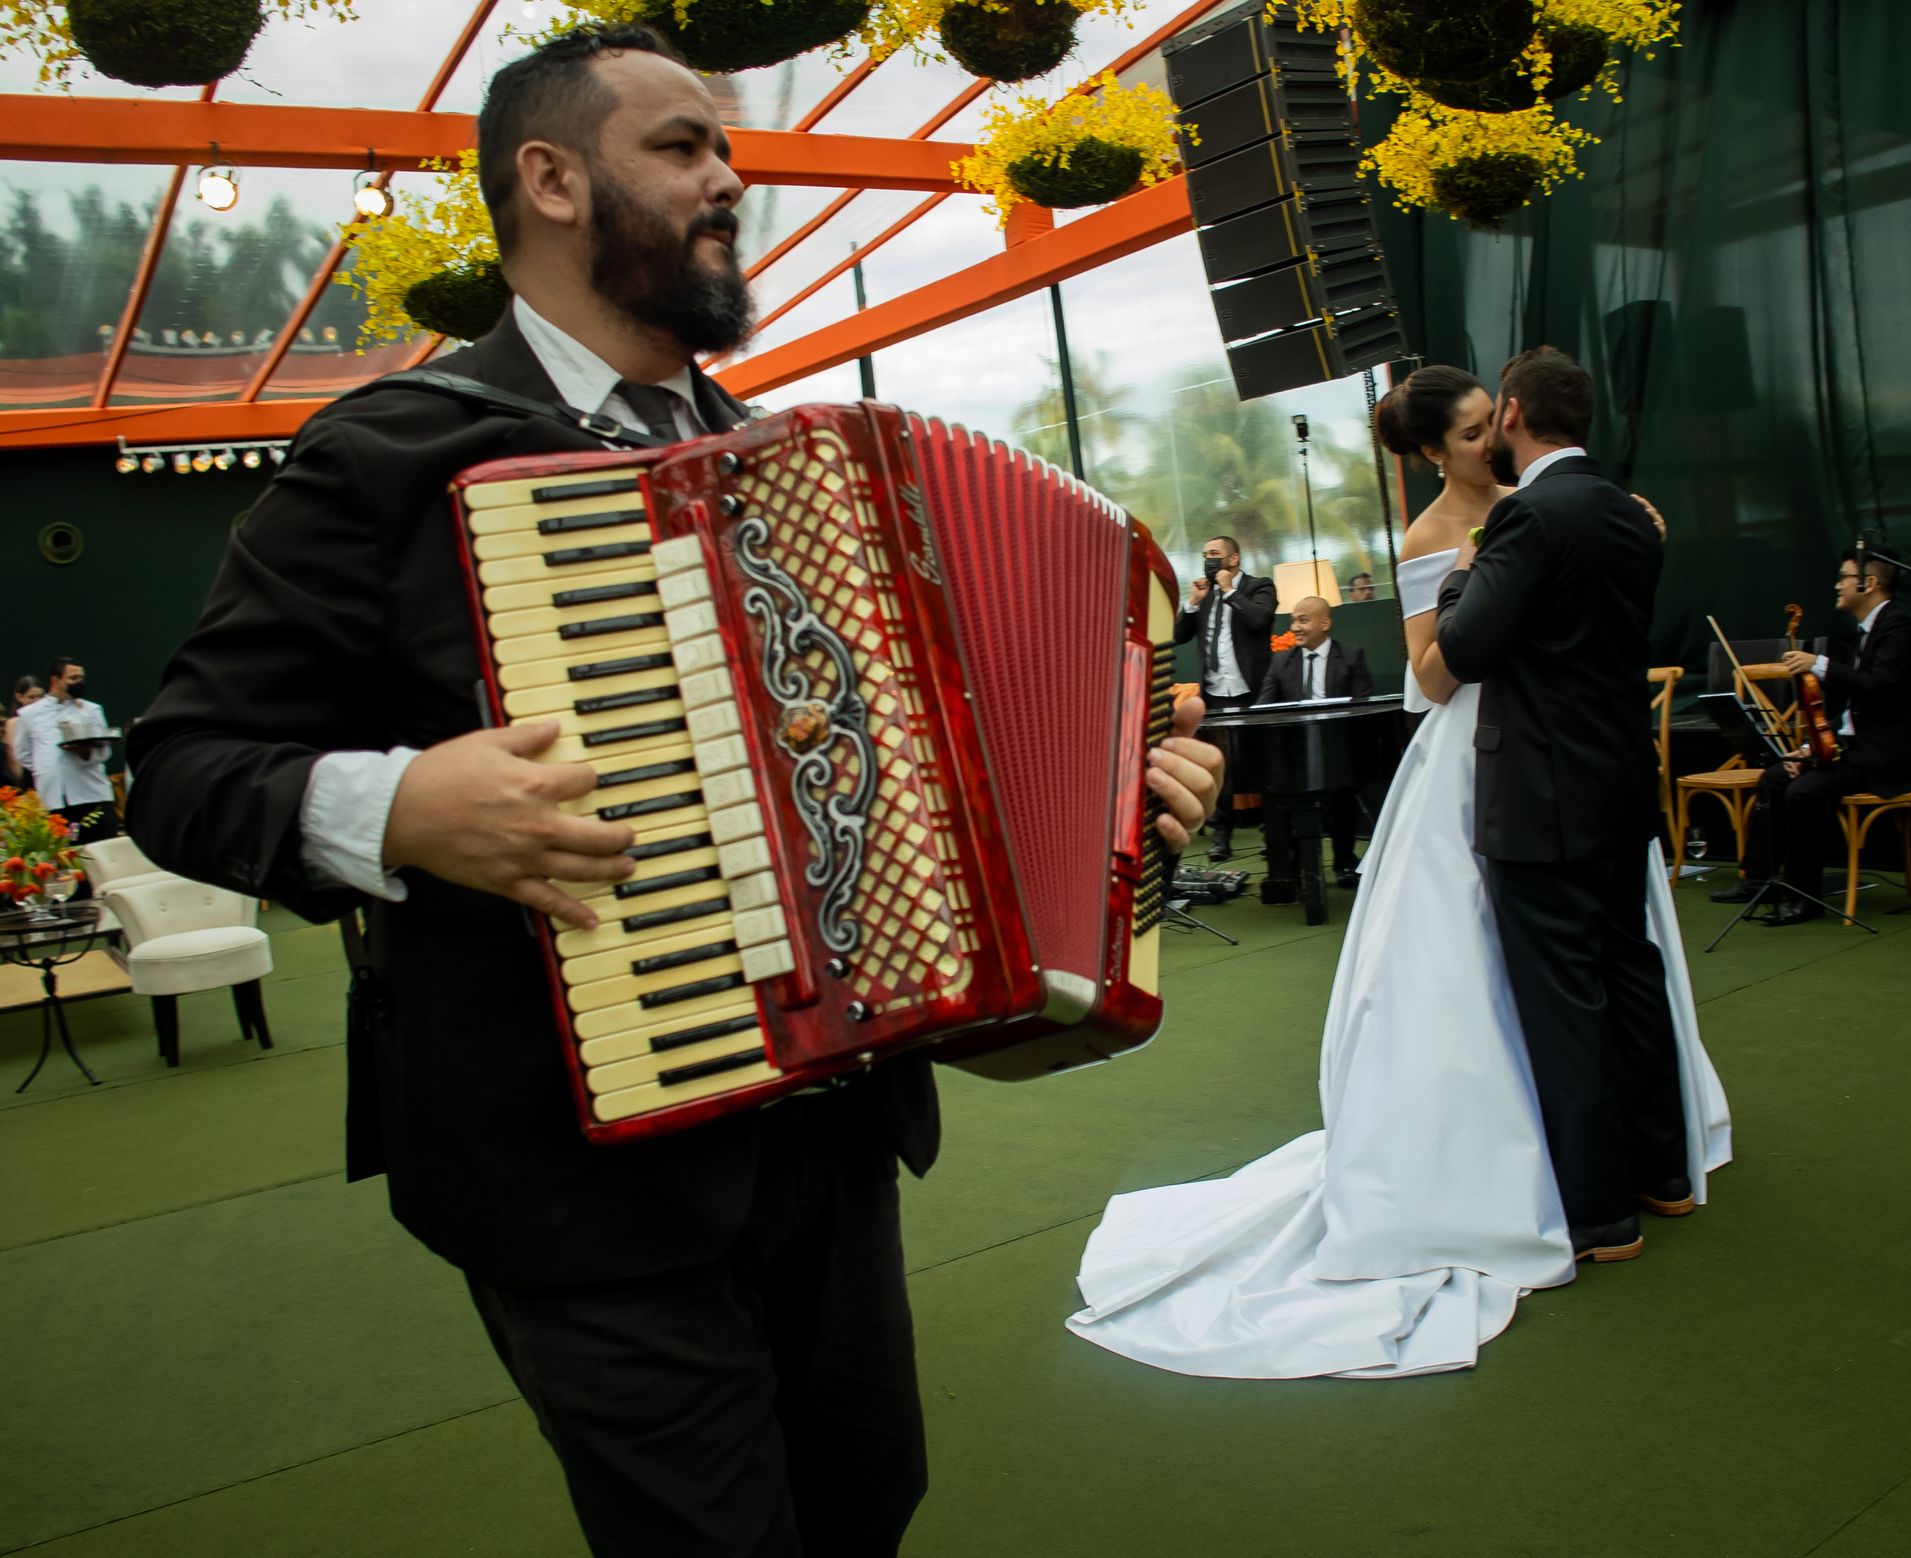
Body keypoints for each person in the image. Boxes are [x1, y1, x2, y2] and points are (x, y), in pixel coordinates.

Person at [122, 27, 1221, 1558]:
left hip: (829, 1137)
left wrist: (1122, 801)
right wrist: (396, 809)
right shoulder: (390, 456)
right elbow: (174, 771)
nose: (728, 177)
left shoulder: (800, 469)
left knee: (861, 1506)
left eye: (725, 148)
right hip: (569, 1171)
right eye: (683, 146)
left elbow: (936, 776)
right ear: (553, 179)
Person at [1067, 362, 1729, 1380]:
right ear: (1434, 451)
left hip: (1553, 772)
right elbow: (1432, 671)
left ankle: (1624, 1179)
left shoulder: (1542, 508)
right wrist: (1470, 581)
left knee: (1593, 974)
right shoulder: (1431, 537)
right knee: (1527, 976)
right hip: (1487, 763)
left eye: (1486, 426)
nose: (1483, 444)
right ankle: (1569, 1174)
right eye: (1465, 435)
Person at [1437, 346, 1696, 1260]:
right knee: (1630, 972)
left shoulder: (1527, 519)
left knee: (1565, 999)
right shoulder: (1631, 516)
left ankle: (1597, 1214)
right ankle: (1666, 1175)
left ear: (1510, 414)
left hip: (1539, 796)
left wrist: (1462, 571)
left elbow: (1464, 648)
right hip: (1622, 784)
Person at [1712, 547, 1911, 924]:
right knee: (1776, 775)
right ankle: (1759, 879)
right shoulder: (1863, 632)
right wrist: (1809, 748)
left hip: (1885, 754)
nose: (1837, 585)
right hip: (1853, 748)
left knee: (1804, 792)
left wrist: (1820, 664)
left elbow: (1880, 688)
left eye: (1843, 577)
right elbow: (1843, 711)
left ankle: (1804, 897)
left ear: (1868, 583)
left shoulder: (1899, 626)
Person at [1254, 595, 1378, 887]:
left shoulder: (1350, 656)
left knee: (1343, 790)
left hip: (1338, 747)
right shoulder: (1281, 661)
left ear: (1325, 623)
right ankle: (1294, 868)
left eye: (1303, 620)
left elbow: (1364, 707)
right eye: (1293, 620)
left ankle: (1344, 861)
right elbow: (1263, 707)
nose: (1295, 627)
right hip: (1294, 751)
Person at [1174, 533, 1278, 861]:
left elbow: (1259, 618)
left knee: (1264, 764)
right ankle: (1222, 836)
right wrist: (1192, 601)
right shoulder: (1204, 594)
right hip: (1215, 693)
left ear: (1233, 559)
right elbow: (1178, 635)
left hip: (1253, 691)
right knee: (1218, 767)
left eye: (1215, 553)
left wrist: (1229, 590)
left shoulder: (1260, 586)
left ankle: (1271, 835)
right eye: (1205, 554)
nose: (1208, 558)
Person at [15, 657, 121, 849]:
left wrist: (85, 753)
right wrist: (47, 767)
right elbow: (23, 754)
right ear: (55, 681)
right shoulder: (30, 714)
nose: (78, 683)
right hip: (54, 799)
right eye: (73, 678)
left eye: (81, 678)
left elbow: (104, 751)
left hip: (91, 793)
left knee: (102, 846)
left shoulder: (92, 710)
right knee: (67, 854)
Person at [5, 675, 43, 786]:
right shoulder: (14, 722)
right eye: (31, 697)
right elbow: (14, 757)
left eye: (40, 696)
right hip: (28, 780)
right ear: (19, 697)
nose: (37, 701)